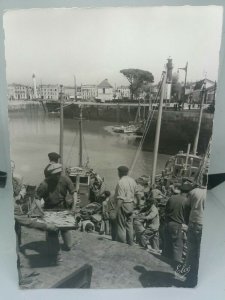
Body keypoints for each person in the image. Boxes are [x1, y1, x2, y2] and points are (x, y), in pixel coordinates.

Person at [35, 163, 78, 263]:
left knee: (68, 245)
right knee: (52, 233)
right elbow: (37, 198)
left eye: (59, 173)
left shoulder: (65, 179)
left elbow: (74, 192)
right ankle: (56, 254)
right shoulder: (44, 184)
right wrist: (41, 211)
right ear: (51, 174)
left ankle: (59, 244)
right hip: (50, 209)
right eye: (55, 174)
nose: (57, 176)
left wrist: (74, 207)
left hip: (63, 208)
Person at [184, 174, 207, 287]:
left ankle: (189, 279)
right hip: (204, 224)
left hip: (193, 223)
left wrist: (187, 221)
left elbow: (186, 207)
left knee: (190, 252)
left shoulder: (194, 192)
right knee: (201, 254)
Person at [164, 183, 190, 267]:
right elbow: (187, 216)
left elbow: (166, 211)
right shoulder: (186, 201)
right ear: (189, 192)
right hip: (178, 226)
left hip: (168, 224)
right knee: (177, 249)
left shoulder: (172, 198)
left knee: (167, 247)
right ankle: (175, 268)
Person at [114, 166, 138, 246]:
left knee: (121, 226)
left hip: (123, 204)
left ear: (120, 172)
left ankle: (121, 245)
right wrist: (137, 204)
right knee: (129, 225)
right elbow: (137, 194)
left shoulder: (121, 182)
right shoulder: (133, 181)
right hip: (131, 204)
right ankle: (130, 244)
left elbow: (120, 198)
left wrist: (115, 211)